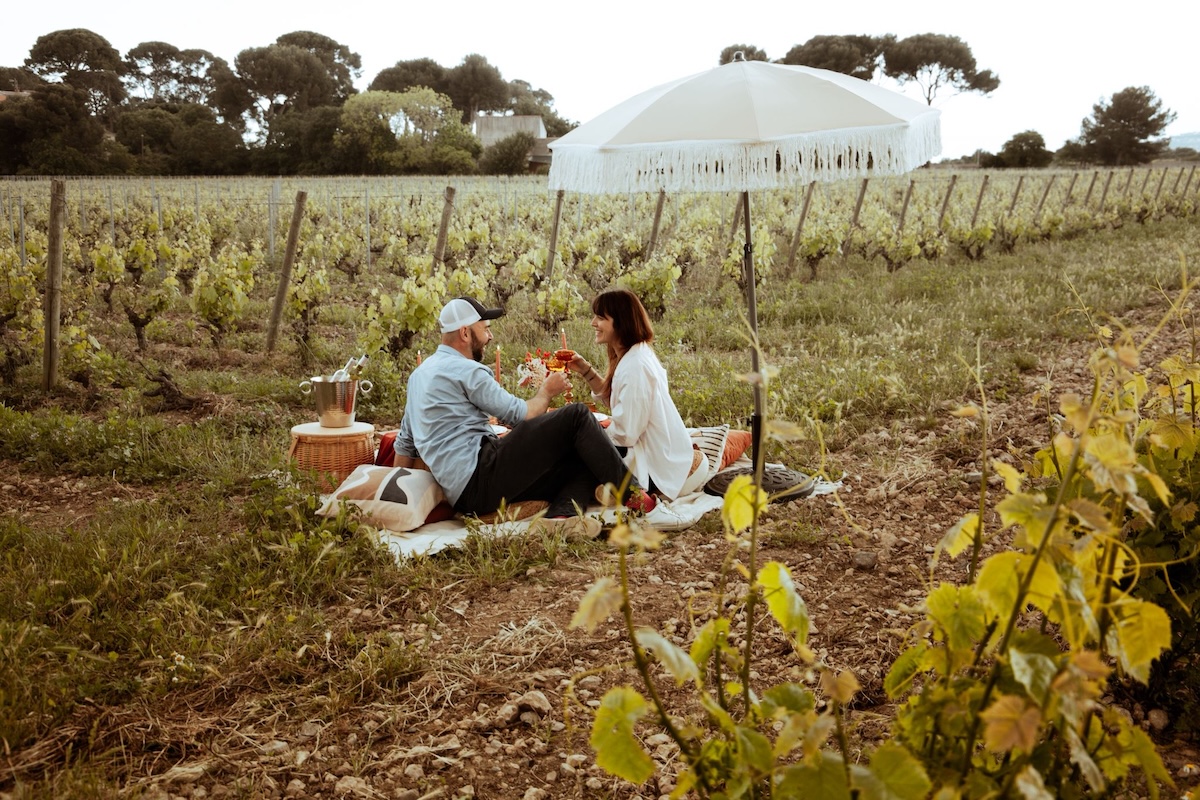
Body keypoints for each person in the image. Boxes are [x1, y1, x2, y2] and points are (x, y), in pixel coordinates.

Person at [393, 296, 648, 539]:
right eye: (486, 329)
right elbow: (521, 415)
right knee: (577, 415)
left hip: (464, 496)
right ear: (465, 333)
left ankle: (561, 519)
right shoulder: (466, 370)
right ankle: (636, 496)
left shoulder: (419, 375)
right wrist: (547, 391)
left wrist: (394, 496)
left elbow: (406, 443)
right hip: (481, 475)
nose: (490, 336)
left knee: (583, 457)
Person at [567, 289, 704, 501]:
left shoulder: (636, 366)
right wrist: (585, 369)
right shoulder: (633, 355)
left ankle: (615, 492)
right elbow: (615, 400)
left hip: (655, 467)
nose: (593, 323)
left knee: (574, 455)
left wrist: (589, 433)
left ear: (621, 322)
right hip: (648, 453)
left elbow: (626, 433)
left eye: (601, 318)